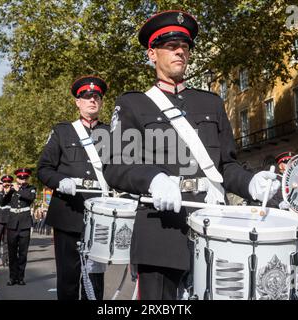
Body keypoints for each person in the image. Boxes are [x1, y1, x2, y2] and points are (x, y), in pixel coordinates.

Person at [103, 10, 280, 300]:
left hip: (213, 225)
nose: (180, 52)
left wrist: (250, 183)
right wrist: (153, 178)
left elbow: (225, 165)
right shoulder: (132, 104)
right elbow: (114, 164)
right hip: (160, 228)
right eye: (171, 46)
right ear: (152, 54)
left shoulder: (210, 102)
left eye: (184, 47)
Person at [37, 75, 110, 300]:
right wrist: (60, 181)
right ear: (77, 102)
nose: (92, 100)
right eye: (86, 97)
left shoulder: (112, 133)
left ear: (101, 102)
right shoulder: (62, 132)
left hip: (101, 214)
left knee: (95, 279)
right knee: (68, 277)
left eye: (96, 97)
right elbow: (44, 169)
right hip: (69, 213)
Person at [5, 168, 36, 286]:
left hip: (25, 224)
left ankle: (21, 277)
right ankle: (12, 277)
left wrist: (18, 190)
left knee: (23, 253)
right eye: (20, 178)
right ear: (17, 178)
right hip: (12, 224)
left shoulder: (31, 188)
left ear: (27, 178)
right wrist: (7, 190)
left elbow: (30, 198)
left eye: (25, 178)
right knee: (12, 253)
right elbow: (3, 202)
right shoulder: (12, 190)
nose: (23, 180)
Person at [0, 175, 13, 267]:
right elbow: (0, 201)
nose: (6, 184)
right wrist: (1, 191)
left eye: (8, 182)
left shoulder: (13, 192)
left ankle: (6, 259)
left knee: (7, 241)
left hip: (9, 219)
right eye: (5, 182)